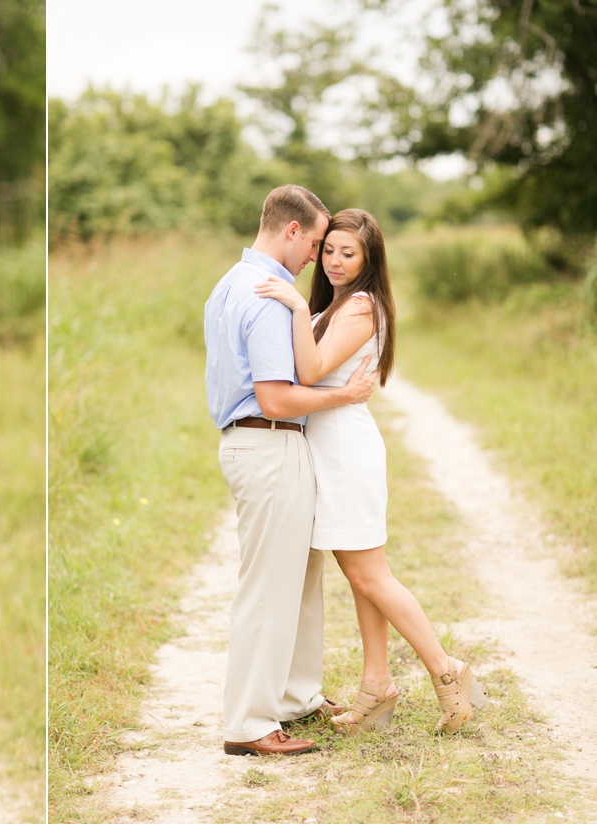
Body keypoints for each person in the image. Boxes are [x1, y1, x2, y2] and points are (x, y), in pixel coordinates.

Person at [253, 208, 487, 734]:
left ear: (368, 259)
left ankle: (447, 671)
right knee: (360, 579)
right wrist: (303, 308)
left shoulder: (360, 304)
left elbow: (309, 371)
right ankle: (375, 686)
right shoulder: (336, 303)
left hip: (345, 450)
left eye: (348, 253)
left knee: (369, 575)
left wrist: (293, 304)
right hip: (328, 446)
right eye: (329, 250)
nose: (334, 261)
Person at [203, 184, 377, 757]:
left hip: (266, 447)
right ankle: (250, 723)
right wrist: (344, 396)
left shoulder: (228, 283)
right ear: (293, 231)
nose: (317, 260)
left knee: (300, 580)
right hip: (268, 443)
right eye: (317, 244)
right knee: (268, 588)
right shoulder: (266, 295)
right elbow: (277, 398)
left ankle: (297, 697)